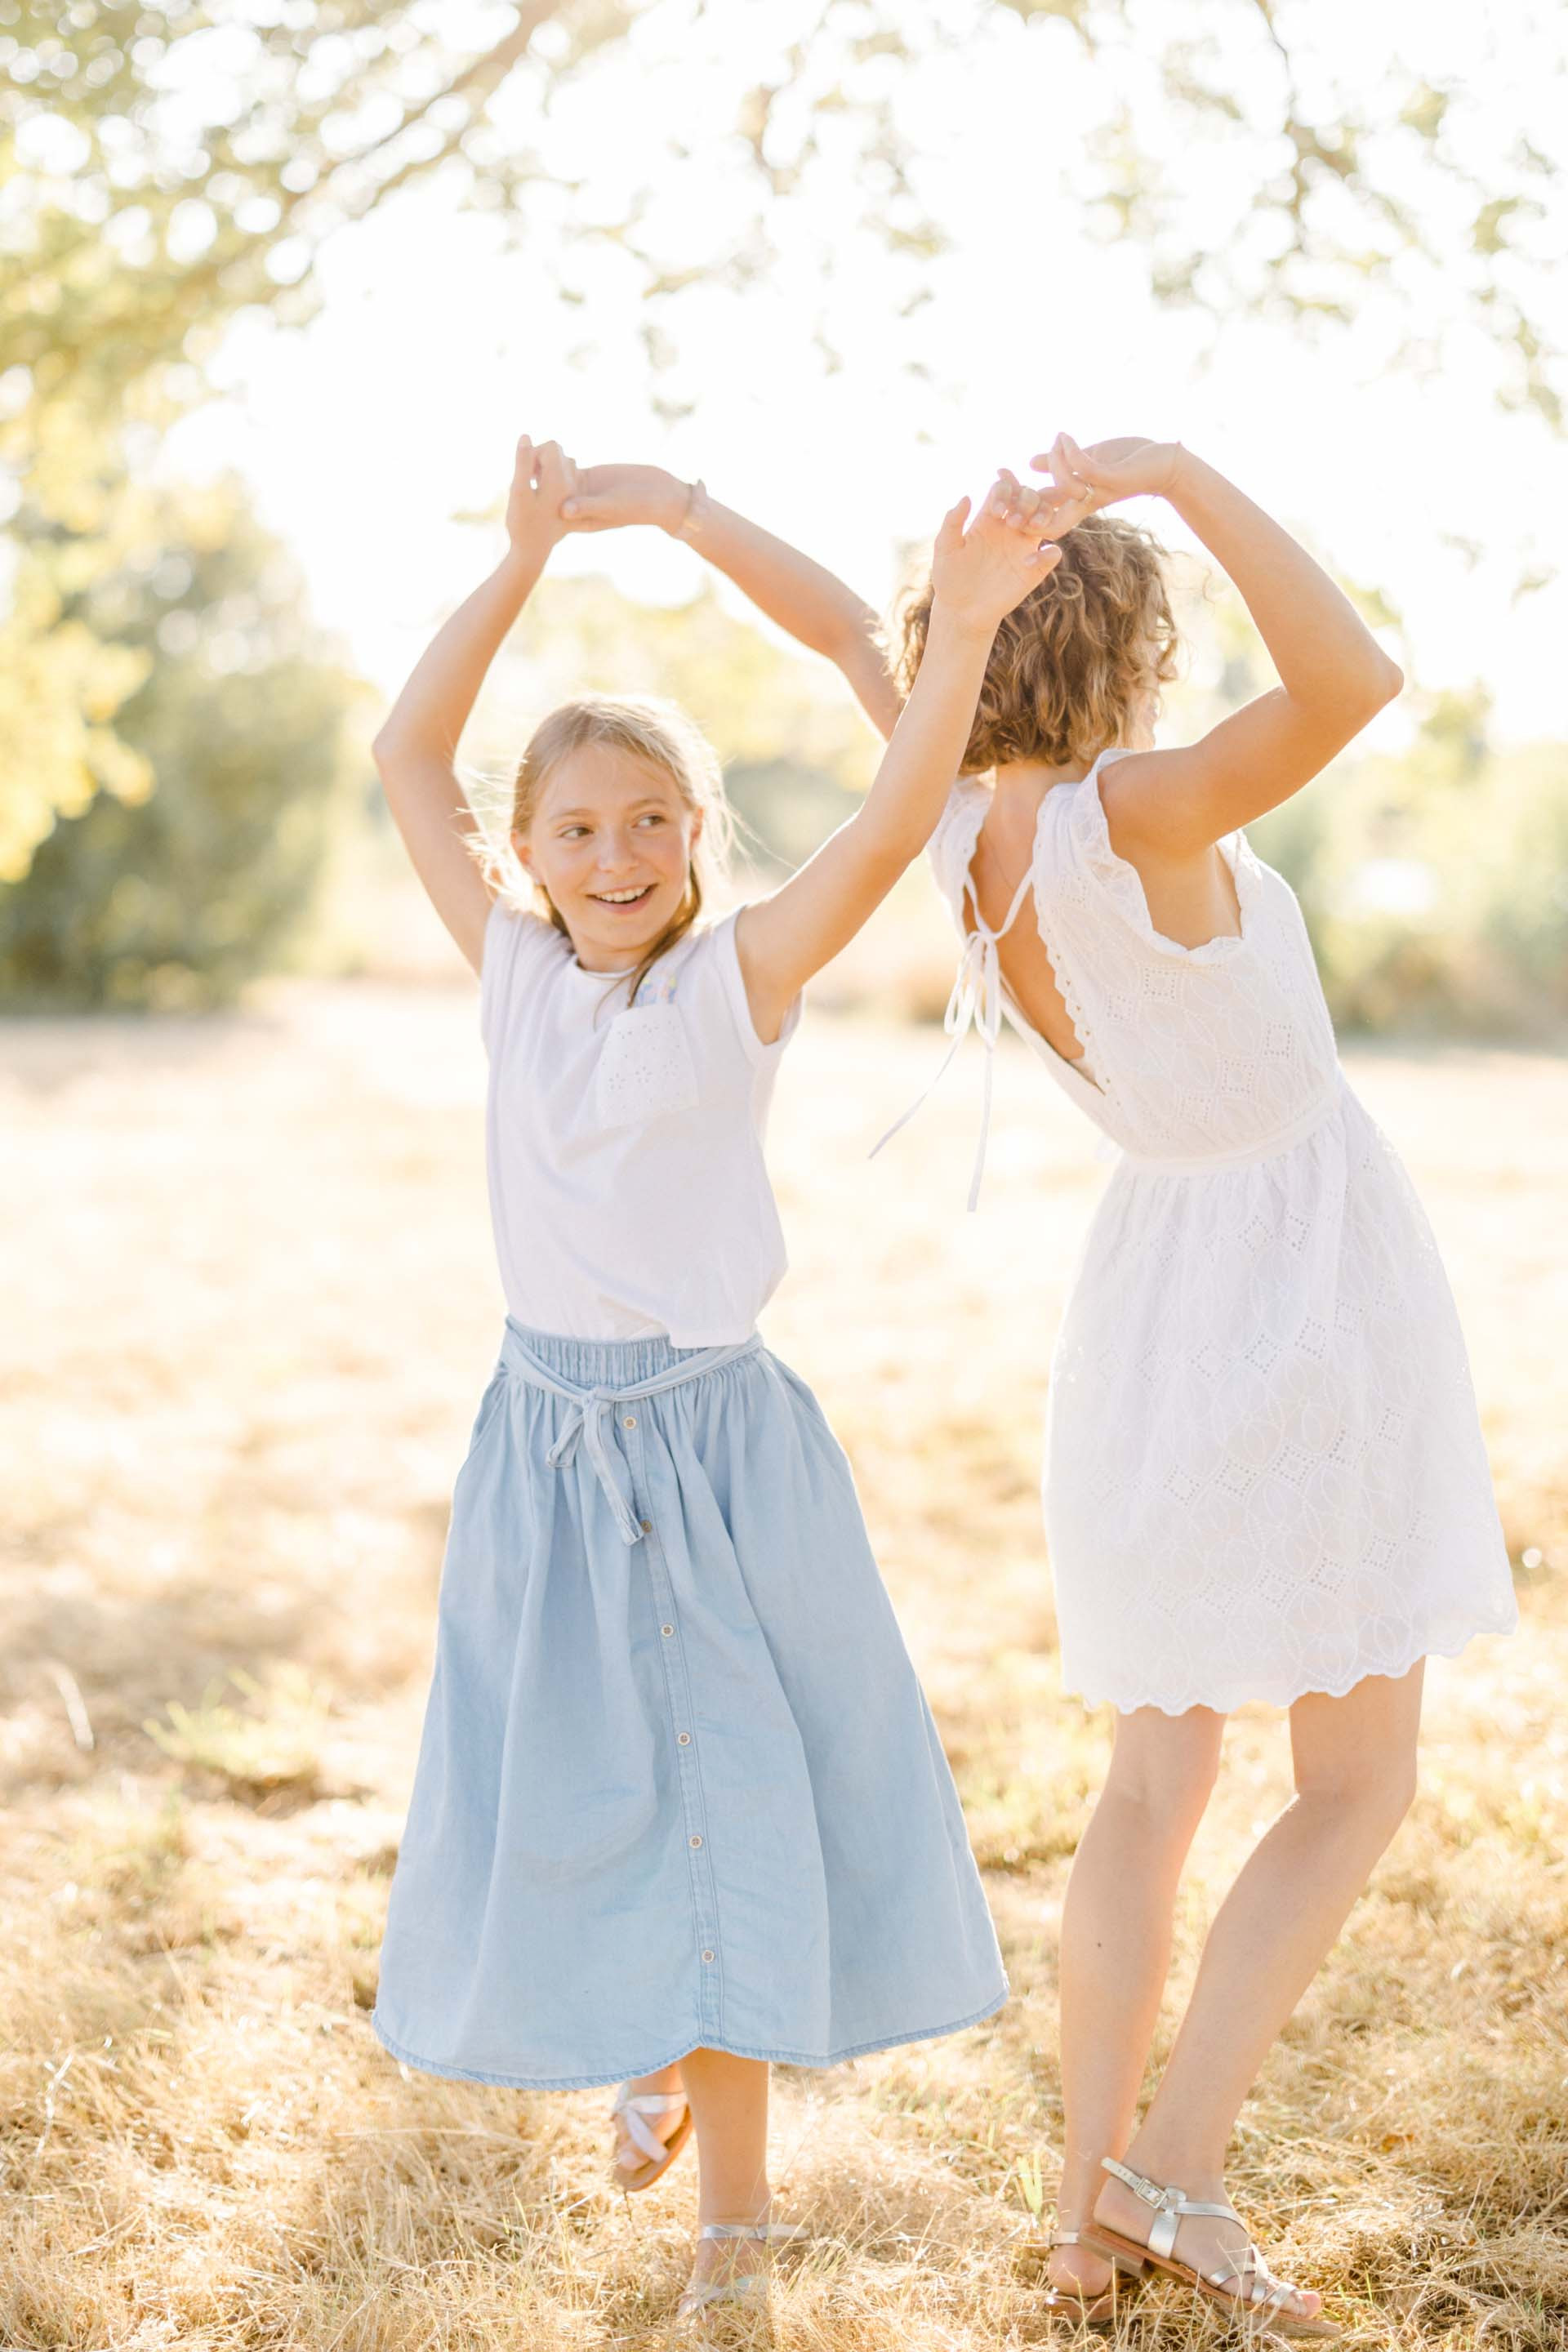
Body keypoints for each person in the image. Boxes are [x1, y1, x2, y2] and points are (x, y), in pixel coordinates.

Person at [592, 436, 1518, 2336]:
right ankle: (1171, 2168)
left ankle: (1089, 2214)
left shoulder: (957, 818)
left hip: (1154, 1298)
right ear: (1133, 652)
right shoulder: (1144, 812)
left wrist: (686, 512)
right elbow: (1359, 681)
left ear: (981, 640)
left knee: (1154, 1775)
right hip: (1304, 1287)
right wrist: (1182, 468)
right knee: (1353, 1780)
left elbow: (853, 634)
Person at [368, 434, 1047, 2336]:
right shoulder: (509, 969)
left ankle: (736, 2225)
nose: (613, 857)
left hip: (714, 1448)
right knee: (592, 1792)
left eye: (651, 821)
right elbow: (407, 757)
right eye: (576, 828)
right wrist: (517, 560)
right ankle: (664, 2041)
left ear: (697, 838)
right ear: (529, 854)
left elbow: (908, 797)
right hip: (546, 1452)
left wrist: (695, 520)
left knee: (732, 1796)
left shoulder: (738, 978)